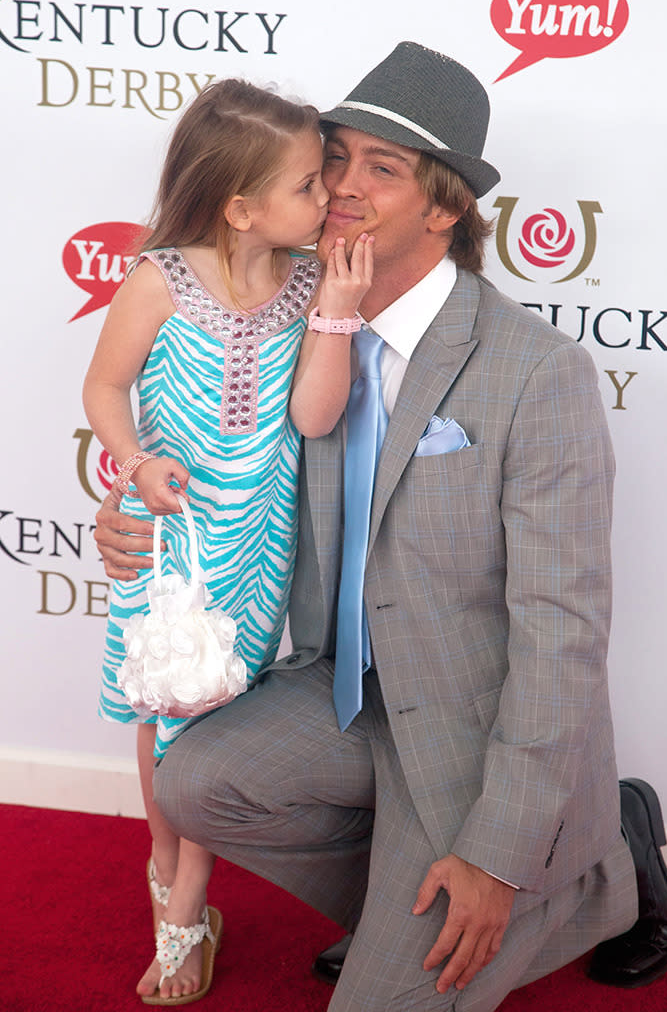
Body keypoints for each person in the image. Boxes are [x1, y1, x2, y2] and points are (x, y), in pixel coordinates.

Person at [93, 43, 667, 1011]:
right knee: (196, 775)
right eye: (333, 156)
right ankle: (409, 900)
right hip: (347, 701)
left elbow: (559, 634)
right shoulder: (289, 317)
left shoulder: (535, 372)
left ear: (444, 207)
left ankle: (591, 866)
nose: (339, 186)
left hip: (466, 725)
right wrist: (127, 522)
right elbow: (216, 459)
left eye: (381, 167)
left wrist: (493, 855)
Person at [83, 77, 373, 1005]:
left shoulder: (301, 280)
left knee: (212, 711)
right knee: (160, 701)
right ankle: (180, 893)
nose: (325, 196)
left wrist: (332, 304)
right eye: (305, 184)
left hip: (257, 539)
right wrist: (133, 466)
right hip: (172, 537)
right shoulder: (157, 280)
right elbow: (102, 389)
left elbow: (313, 414)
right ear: (241, 207)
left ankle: (186, 887)